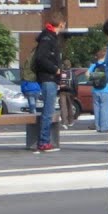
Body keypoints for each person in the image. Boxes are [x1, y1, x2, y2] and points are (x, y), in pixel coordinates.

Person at [33, 8, 66, 153]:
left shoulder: (49, 37)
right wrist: (55, 69)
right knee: (48, 111)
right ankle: (44, 142)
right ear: (61, 24)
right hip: (48, 79)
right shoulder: (48, 38)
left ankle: (44, 140)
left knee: (48, 110)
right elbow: (40, 58)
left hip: (50, 79)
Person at [90, 39, 108, 133]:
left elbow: (87, 74)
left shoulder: (94, 65)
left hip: (95, 89)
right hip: (105, 89)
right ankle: (104, 127)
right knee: (104, 108)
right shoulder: (107, 65)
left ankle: (97, 126)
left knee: (96, 108)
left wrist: (95, 76)